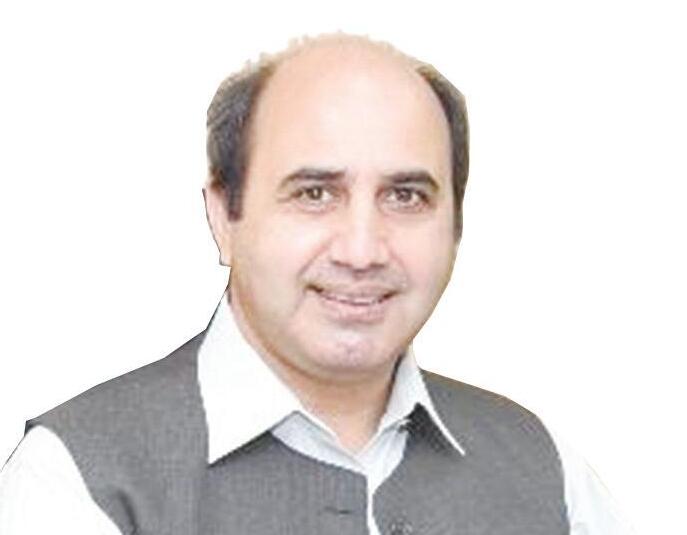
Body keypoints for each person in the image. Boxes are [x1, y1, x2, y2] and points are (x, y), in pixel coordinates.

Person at [0, 32, 633, 534]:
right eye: (314, 194)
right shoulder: (77, 481)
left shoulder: (549, 474)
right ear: (224, 217)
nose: (362, 251)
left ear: (457, 225)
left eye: (406, 196)